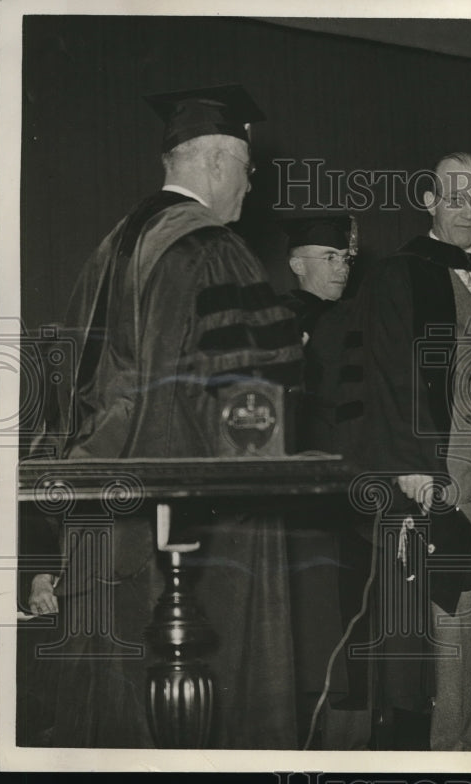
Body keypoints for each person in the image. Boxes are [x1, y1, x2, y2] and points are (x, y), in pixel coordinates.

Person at [25, 84, 304, 748]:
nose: (249, 181)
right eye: (245, 166)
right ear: (214, 160)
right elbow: (246, 410)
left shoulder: (111, 249)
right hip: (192, 536)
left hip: (102, 523)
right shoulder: (211, 249)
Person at [355, 152, 471, 751]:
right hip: (448, 452)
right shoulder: (402, 272)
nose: (467, 210)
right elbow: (385, 370)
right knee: (454, 608)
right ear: (428, 200)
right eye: (453, 196)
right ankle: (453, 753)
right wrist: (410, 463)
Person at [277, 212, 376, 750]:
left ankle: (352, 747)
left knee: (353, 625)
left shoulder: (351, 318)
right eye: (330, 257)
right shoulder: (283, 318)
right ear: (297, 264)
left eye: (346, 258)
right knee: (319, 627)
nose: (342, 268)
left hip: (354, 494)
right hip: (307, 498)